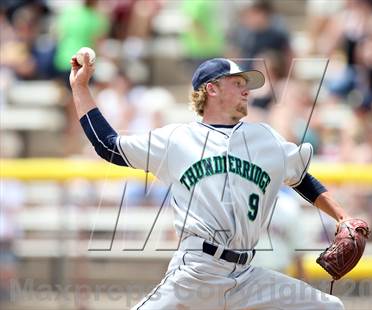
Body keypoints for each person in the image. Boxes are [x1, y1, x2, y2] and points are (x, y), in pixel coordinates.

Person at [70, 54, 352, 309]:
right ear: (211, 89)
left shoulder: (266, 139)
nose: (246, 89)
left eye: (246, 83)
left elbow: (301, 178)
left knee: (330, 308)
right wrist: (80, 87)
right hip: (196, 272)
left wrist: (342, 217)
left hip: (247, 277)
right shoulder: (177, 140)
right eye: (237, 82)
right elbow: (108, 146)